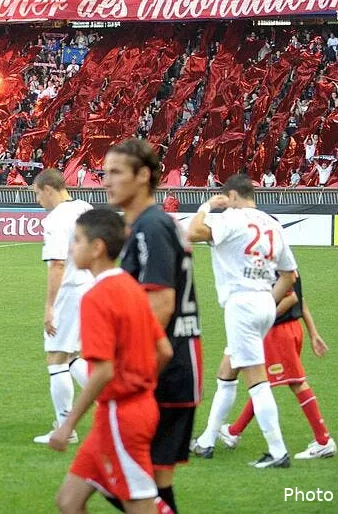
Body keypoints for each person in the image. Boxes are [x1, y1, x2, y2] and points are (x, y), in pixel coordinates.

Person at [48, 208, 172, 514]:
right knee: (69, 501)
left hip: (122, 415)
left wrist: (68, 424)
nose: (71, 248)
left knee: (142, 506)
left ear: (97, 247)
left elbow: (103, 371)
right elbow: (164, 350)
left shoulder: (96, 297)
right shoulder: (131, 287)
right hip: (123, 412)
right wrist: (142, 383)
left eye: (76, 240)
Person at [103, 139, 201, 513]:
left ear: (143, 176)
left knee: (123, 478)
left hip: (165, 365)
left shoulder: (151, 227)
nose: (106, 182)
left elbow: (160, 303)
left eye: (116, 173)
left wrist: (127, 360)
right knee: (149, 482)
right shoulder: (156, 223)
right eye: (104, 173)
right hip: (176, 360)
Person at [187, 175, 297, 467]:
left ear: (232, 196)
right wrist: (267, 303)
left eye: (226, 199)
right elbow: (290, 276)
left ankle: (278, 451)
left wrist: (208, 204)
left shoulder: (232, 218)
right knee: (227, 371)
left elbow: (193, 231)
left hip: (242, 304)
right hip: (264, 302)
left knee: (257, 381)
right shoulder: (272, 224)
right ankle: (207, 441)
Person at [221, 272, 335, 459]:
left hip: (279, 333)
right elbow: (301, 300)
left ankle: (323, 441)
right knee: (263, 383)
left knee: (292, 383)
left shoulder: (272, 260)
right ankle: (234, 431)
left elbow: (292, 298)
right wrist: (313, 332)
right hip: (291, 329)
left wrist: (262, 319)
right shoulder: (287, 260)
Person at [31, 169, 94, 446]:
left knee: (56, 357)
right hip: (91, 287)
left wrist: (49, 307)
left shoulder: (56, 220)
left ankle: (65, 427)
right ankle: (111, 400)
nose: (37, 201)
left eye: (36, 194)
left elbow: (57, 264)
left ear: (47, 189)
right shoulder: (84, 207)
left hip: (69, 292)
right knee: (73, 355)